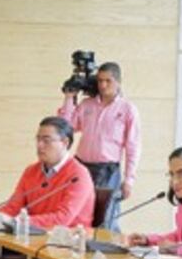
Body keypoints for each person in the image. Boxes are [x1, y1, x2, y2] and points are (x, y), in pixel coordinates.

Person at [58, 62, 140, 227]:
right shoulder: (87, 104)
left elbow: (133, 147)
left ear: (118, 82)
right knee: (77, 213)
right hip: (80, 166)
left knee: (105, 218)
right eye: (100, 81)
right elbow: (66, 128)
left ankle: (108, 251)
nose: (103, 85)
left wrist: (129, 180)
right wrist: (68, 98)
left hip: (107, 171)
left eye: (108, 81)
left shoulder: (127, 109)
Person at [0, 116, 95, 229]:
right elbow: (13, 208)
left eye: (46, 140)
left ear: (65, 143)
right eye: (38, 139)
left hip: (68, 241)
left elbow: (62, 219)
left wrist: (18, 221)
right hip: (33, 238)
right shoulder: (31, 171)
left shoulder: (78, 175)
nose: (39, 145)